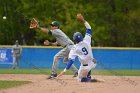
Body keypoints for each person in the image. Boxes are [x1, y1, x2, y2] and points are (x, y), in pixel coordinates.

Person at [57, 14, 97, 82]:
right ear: (81, 37)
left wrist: (64, 71)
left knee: (80, 79)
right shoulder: (87, 40)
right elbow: (89, 28)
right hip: (94, 63)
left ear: (74, 40)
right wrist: (83, 20)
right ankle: (88, 75)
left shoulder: (74, 48)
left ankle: (90, 80)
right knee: (88, 62)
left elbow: (70, 61)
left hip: (85, 67)